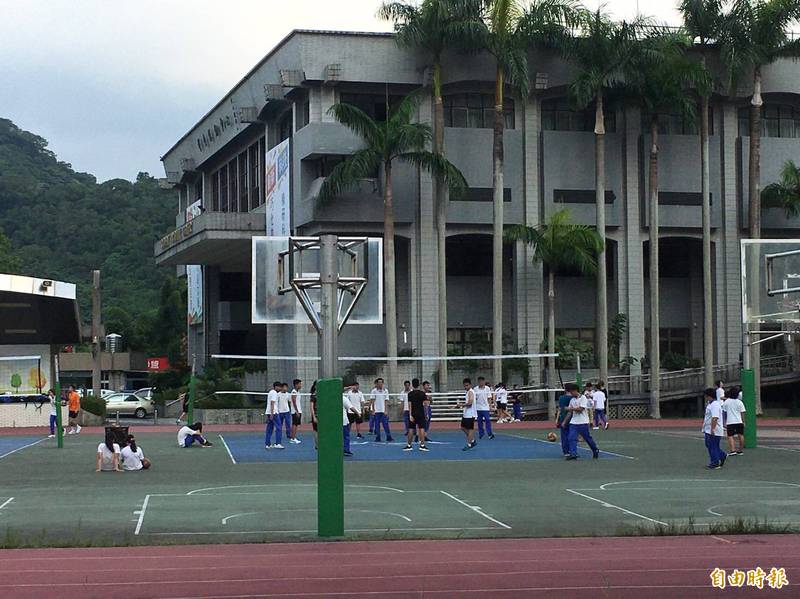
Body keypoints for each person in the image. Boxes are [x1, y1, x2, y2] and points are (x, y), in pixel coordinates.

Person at [565, 383, 599, 460]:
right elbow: (570, 412)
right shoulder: (572, 400)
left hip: (583, 422)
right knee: (571, 438)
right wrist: (565, 422)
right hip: (574, 422)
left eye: (571, 392)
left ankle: (595, 449)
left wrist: (571, 409)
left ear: (575, 391)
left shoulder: (583, 398)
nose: (571, 393)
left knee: (587, 438)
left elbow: (581, 409)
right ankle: (573, 453)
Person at [702, 387, 726, 469]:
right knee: (710, 445)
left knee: (713, 446)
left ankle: (715, 463)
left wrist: (713, 429)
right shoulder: (710, 404)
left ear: (708, 396)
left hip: (713, 429)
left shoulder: (715, 405)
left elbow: (715, 417)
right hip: (708, 428)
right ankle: (722, 455)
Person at [403, 378, 429, 451]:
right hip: (421, 413)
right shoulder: (422, 393)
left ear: (412, 385)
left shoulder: (410, 394)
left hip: (413, 413)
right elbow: (425, 404)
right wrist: (426, 414)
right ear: (419, 384)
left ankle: (409, 445)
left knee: (411, 429)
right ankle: (422, 445)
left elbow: (409, 405)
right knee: (421, 428)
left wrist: (410, 415)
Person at [722, 385, 746, 456]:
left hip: (730, 421)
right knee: (741, 435)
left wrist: (724, 422)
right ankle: (740, 450)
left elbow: (724, 413)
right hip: (739, 421)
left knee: (730, 436)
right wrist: (743, 421)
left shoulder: (727, 402)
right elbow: (742, 413)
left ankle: (733, 450)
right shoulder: (740, 402)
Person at [370, 377, 394, 442]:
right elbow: (372, 400)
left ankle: (388, 437)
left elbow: (386, 401)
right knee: (377, 425)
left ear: (383, 383)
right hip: (377, 411)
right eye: (379, 383)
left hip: (383, 411)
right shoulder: (374, 391)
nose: (380, 384)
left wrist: (386, 410)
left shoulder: (385, 391)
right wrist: (373, 410)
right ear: (377, 384)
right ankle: (378, 437)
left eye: (381, 383)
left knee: (386, 424)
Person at [459, 378, 477, 451]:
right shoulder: (467, 392)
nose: (465, 387)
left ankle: (469, 444)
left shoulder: (471, 392)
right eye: (464, 386)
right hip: (466, 413)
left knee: (470, 429)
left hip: (470, 414)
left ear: (470, 385)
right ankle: (472, 440)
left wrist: (462, 404)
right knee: (463, 427)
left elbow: (470, 403)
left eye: (467, 385)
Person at [555, 385, 573, 457]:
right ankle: (572, 450)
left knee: (564, 436)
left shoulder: (561, 398)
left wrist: (557, 419)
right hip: (573, 419)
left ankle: (566, 451)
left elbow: (559, 409)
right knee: (572, 435)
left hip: (563, 418)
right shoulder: (573, 398)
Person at [264, 381, 283, 449]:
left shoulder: (271, 392)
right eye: (280, 387)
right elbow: (272, 403)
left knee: (269, 428)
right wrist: (272, 413)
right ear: (276, 387)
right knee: (279, 428)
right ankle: (278, 443)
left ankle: (267, 444)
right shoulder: (274, 393)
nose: (281, 388)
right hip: (274, 412)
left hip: (269, 412)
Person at [342, 391, 360, 457]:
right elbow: (351, 408)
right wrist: (357, 413)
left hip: (335, 422)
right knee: (346, 436)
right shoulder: (343, 398)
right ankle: (346, 450)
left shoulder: (331, 398)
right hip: (343, 421)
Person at [289, 378, 303, 444]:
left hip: (298, 410)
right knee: (294, 424)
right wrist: (297, 411)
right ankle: (293, 438)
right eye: (299, 384)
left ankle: (293, 437)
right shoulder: (294, 392)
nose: (300, 385)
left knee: (296, 424)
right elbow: (294, 402)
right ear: (296, 385)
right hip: (295, 411)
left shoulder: (297, 392)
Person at [309, 381, 318, 450]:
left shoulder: (322, 394)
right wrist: (314, 416)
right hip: (316, 414)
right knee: (316, 430)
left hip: (322, 415)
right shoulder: (313, 395)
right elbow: (311, 407)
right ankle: (317, 444)